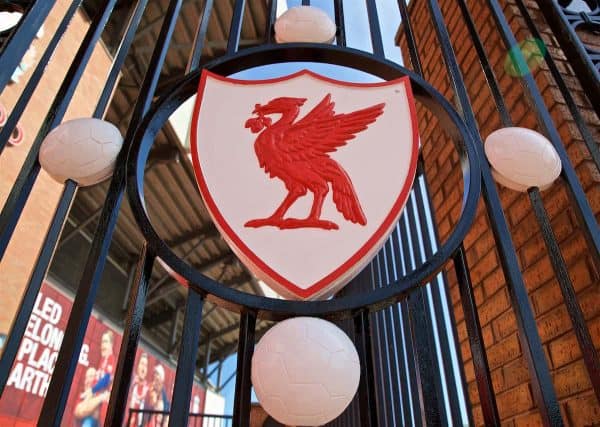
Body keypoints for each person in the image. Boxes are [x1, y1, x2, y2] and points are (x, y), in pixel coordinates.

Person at [129, 353, 149, 427]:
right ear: (137, 365)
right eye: (142, 364)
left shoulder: (147, 390)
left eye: (146, 366)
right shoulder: (131, 382)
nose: (144, 368)